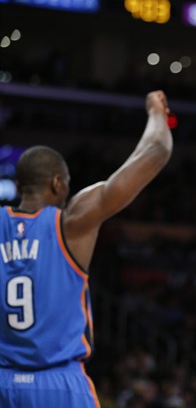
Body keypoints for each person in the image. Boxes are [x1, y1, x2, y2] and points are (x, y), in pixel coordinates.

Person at [0, 90, 174, 407]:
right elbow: (156, 151)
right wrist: (156, 113)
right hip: (59, 383)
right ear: (57, 183)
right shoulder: (71, 222)